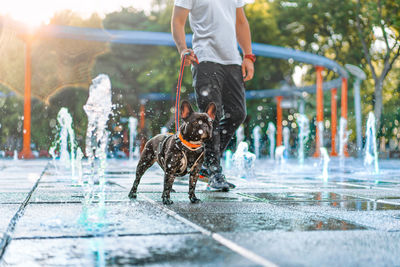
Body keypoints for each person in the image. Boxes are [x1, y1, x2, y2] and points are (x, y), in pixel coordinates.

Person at [172, 0, 255, 191]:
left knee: (237, 113)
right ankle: (214, 172)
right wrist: (182, 48)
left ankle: (204, 165)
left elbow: (241, 22)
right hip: (205, 58)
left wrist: (248, 56)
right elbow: (177, 21)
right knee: (211, 118)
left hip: (232, 60)